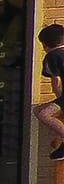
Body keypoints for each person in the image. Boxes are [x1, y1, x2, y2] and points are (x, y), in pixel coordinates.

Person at [35, 22, 64, 159]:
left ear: (45, 45)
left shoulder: (52, 56)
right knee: (38, 110)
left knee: (44, 114)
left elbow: (56, 80)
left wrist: (59, 99)